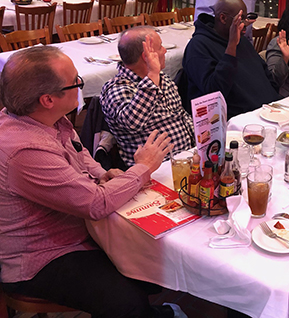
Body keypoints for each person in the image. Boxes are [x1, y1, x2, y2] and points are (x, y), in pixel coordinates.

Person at [0, 46, 179, 318]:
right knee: (127, 298)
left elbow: (80, 155)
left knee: (149, 266)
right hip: (42, 256)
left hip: (76, 229)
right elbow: (96, 203)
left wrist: (102, 174)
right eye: (76, 82)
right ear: (48, 99)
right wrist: (143, 167)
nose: (81, 86)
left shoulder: (48, 119)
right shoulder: (25, 151)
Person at [100, 27, 195, 167]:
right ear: (146, 56)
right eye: (160, 47)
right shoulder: (116, 89)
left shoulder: (163, 79)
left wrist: (199, 136)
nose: (165, 51)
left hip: (185, 159)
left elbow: (180, 115)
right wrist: (152, 77)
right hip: (154, 172)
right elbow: (133, 123)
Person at [183, 0, 280, 118]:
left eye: (246, 18)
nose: (245, 24)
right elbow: (214, 92)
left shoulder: (242, 41)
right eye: (241, 19)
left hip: (268, 110)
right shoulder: (198, 46)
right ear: (223, 18)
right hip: (238, 121)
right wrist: (231, 46)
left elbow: (265, 74)